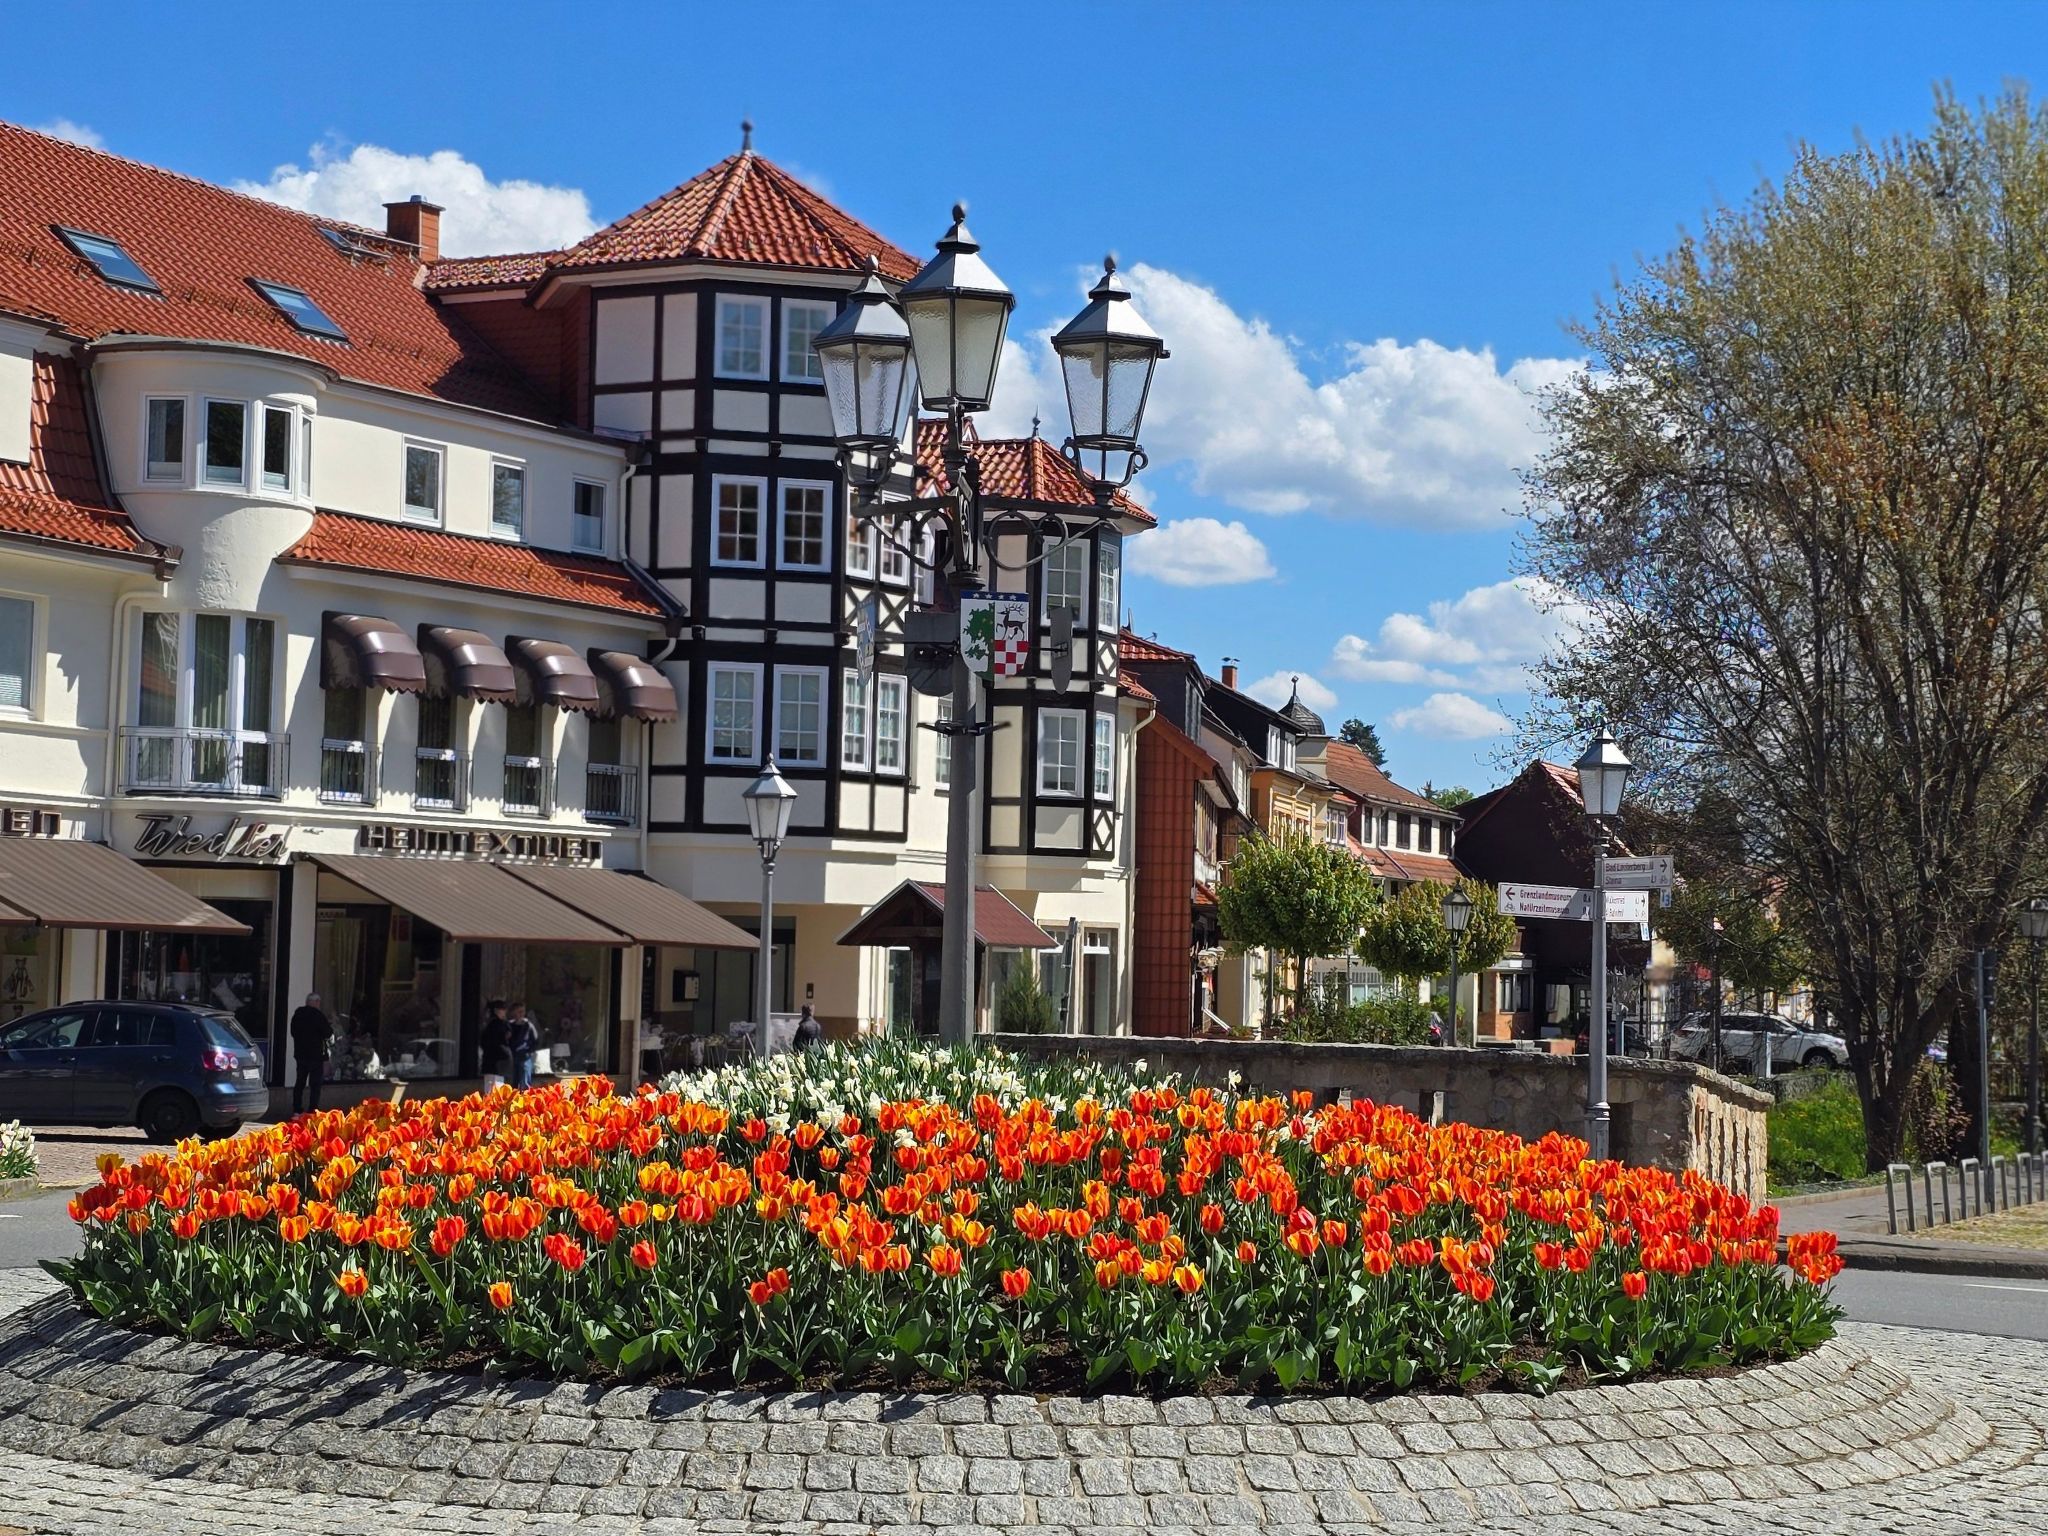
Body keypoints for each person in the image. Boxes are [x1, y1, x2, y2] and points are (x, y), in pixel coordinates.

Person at [289, 993, 333, 1114]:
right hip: (315, 1056)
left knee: (300, 1083)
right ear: (315, 1002)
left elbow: (293, 1032)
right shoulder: (318, 1015)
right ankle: (313, 1110)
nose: (319, 1004)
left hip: (301, 1054)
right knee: (315, 1085)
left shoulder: (297, 1015)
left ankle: (296, 1108)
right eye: (318, 1001)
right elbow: (328, 1033)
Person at [479, 999, 510, 1093]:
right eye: (503, 1009)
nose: (505, 1012)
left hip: (493, 1061)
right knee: (495, 1088)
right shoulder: (497, 1024)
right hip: (496, 1061)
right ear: (497, 1010)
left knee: (491, 1088)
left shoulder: (491, 1024)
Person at [508, 1003, 539, 1089]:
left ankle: (525, 1098)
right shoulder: (509, 1025)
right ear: (514, 1013)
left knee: (525, 1080)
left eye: (523, 1012)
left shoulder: (528, 1025)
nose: (521, 1014)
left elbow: (535, 1041)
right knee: (513, 1080)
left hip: (524, 1056)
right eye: (519, 1012)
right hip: (513, 1056)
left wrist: (529, 1051)